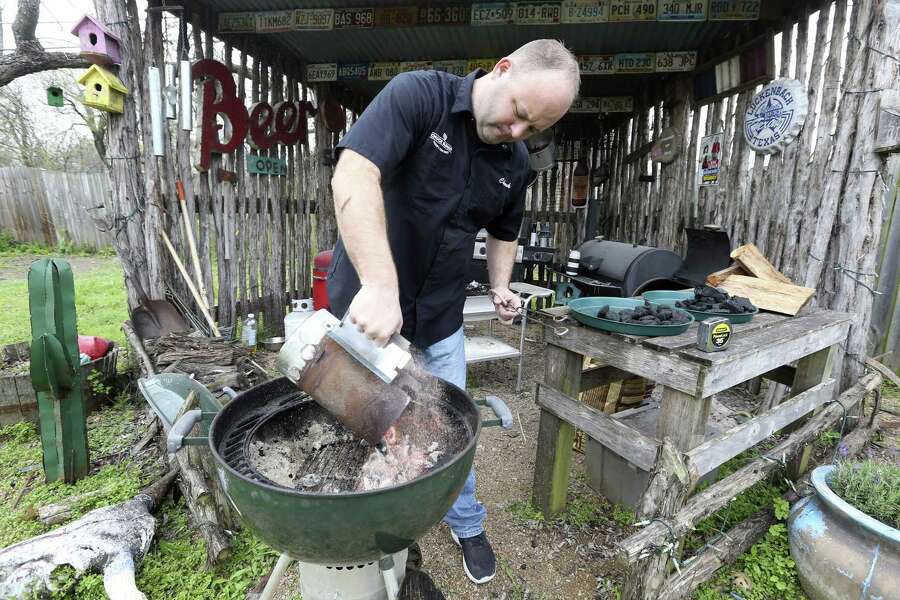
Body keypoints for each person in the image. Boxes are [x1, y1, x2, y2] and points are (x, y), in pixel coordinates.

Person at [327, 39, 580, 584]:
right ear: (502, 69)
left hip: (442, 321)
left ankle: (466, 523)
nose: (517, 133)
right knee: (360, 424)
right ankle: (368, 529)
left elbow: (504, 232)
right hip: (367, 315)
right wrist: (378, 283)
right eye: (517, 113)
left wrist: (501, 286)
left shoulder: (514, 163)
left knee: (451, 433)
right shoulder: (419, 96)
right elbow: (353, 173)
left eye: (532, 128)